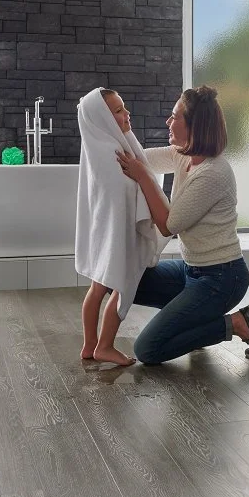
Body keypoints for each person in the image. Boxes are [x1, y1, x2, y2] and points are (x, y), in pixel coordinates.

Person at [116, 85, 249, 364]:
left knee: (147, 350)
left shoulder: (214, 173)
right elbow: (139, 159)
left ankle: (236, 323)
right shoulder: (182, 154)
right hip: (190, 271)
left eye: (175, 117)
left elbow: (168, 225)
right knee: (121, 279)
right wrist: (112, 131)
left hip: (222, 279)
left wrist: (143, 177)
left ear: (195, 125)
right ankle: (194, 322)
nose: (168, 122)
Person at [77, 88, 168, 366]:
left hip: (107, 232)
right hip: (117, 233)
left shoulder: (107, 146)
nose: (127, 114)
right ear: (102, 118)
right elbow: (121, 192)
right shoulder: (112, 153)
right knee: (121, 287)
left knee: (99, 288)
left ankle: (90, 345)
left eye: (124, 107)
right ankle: (103, 345)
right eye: (118, 111)